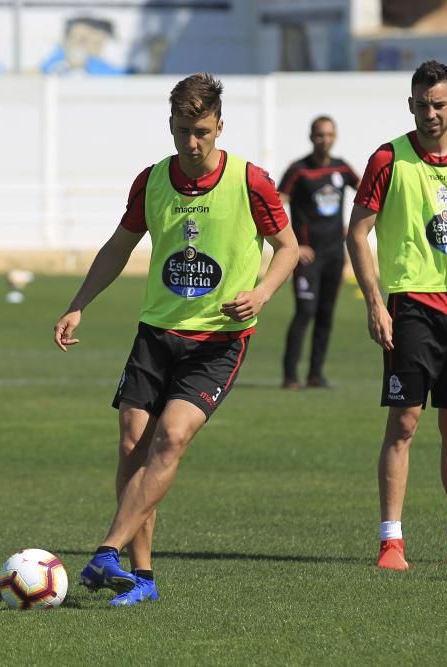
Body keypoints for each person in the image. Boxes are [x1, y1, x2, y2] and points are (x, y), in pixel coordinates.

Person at [53, 73, 299, 606]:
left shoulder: (250, 181)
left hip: (218, 341)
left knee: (171, 439)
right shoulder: (152, 181)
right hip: (156, 333)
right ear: (170, 125)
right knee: (130, 447)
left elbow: (288, 248)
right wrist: (78, 304)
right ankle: (140, 578)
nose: (193, 143)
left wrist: (260, 295)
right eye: (184, 130)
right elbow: (118, 247)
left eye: (203, 131)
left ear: (220, 127)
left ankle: (105, 551)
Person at [345, 60, 447, 571]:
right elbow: (357, 233)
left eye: (439, 104)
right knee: (405, 420)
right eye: (422, 104)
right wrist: (375, 302)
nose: (431, 113)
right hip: (411, 305)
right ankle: (390, 542)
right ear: (410, 104)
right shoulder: (387, 159)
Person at [278, 116, 359, 389]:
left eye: (329, 134)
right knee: (305, 312)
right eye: (319, 135)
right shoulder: (298, 170)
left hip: (335, 254)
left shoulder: (342, 169)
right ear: (311, 137)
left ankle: (315, 374)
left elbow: (367, 193)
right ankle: (290, 375)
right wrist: (293, 245)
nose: (325, 139)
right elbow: (277, 205)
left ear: (335, 136)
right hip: (308, 256)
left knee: (326, 314)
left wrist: (356, 227)